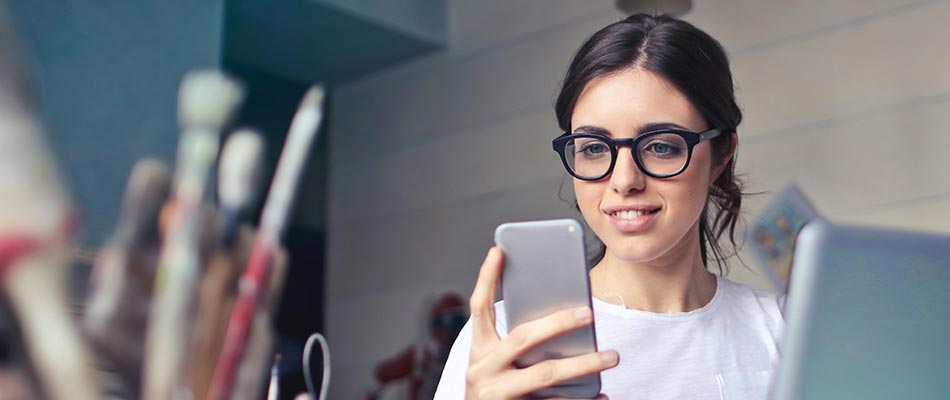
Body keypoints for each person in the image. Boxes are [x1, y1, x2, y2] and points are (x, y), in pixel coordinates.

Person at [434, 13, 785, 399]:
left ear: (720, 156)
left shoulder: (786, 330)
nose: (624, 181)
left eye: (661, 146)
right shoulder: (503, 345)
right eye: (595, 149)